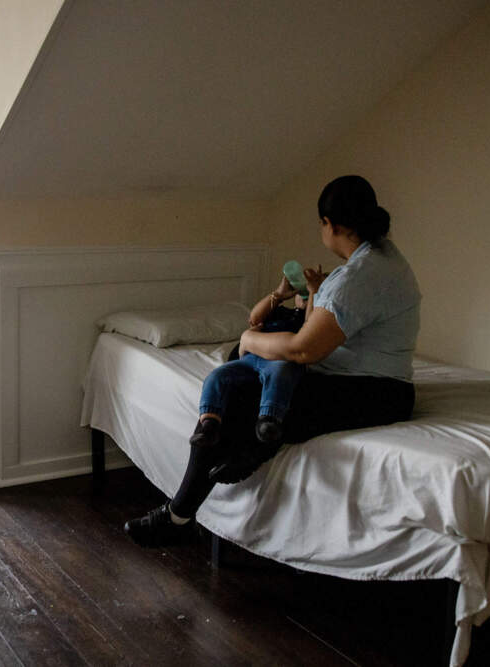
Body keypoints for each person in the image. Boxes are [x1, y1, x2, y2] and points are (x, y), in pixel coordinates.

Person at [124, 175, 421, 547]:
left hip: (373, 394)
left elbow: (302, 349)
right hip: (381, 387)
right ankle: (249, 449)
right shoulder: (382, 258)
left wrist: (250, 339)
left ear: (331, 225)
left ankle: (181, 513)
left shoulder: (359, 276)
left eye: (321, 224)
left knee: (238, 396)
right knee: (244, 377)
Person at [188, 261, 325, 451]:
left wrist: (313, 293)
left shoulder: (314, 319)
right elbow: (254, 318)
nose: (305, 293)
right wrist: (278, 294)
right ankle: (209, 425)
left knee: (280, 373)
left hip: (279, 360)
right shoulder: (280, 312)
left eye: (318, 292)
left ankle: (268, 420)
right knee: (216, 377)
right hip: (250, 358)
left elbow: (310, 326)